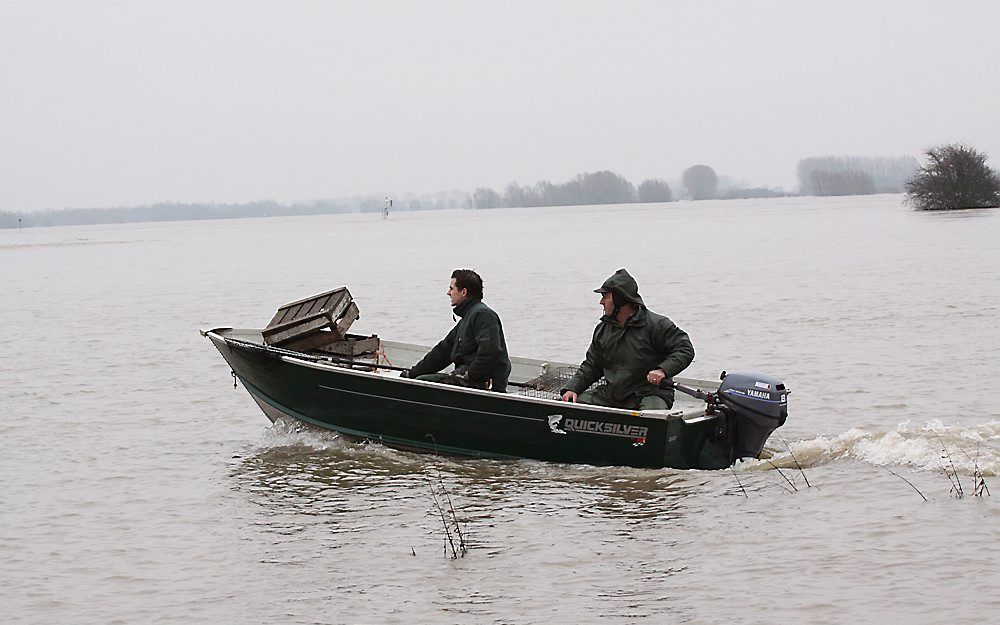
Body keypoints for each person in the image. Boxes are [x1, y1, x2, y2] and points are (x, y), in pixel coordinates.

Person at [560, 268, 694, 410]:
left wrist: (663, 370)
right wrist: (571, 388)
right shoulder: (603, 329)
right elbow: (592, 365)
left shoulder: (657, 325)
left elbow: (685, 349)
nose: (601, 302)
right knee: (570, 406)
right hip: (613, 395)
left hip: (649, 393)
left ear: (620, 298)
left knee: (653, 416)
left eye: (605, 296)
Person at [402, 269, 511, 392]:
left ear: (463, 292)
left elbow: (490, 352)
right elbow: (442, 352)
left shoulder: (483, 315)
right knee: (419, 379)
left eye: (451, 288)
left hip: (483, 384)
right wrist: (412, 374)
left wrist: (469, 375)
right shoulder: (467, 319)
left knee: (424, 381)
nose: (448, 293)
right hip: (471, 380)